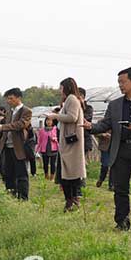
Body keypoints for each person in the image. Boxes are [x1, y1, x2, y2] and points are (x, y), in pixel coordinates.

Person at [82, 67, 131, 231]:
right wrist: (90, 126)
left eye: (123, 81)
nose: (120, 85)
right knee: (120, 189)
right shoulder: (115, 105)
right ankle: (122, 223)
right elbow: (105, 124)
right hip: (121, 149)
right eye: (118, 82)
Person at [47, 78, 86, 212]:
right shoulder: (72, 99)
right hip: (69, 142)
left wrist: (55, 116)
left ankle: (71, 201)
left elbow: (72, 117)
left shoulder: (72, 99)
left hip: (71, 143)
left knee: (69, 173)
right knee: (69, 173)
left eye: (61, 87)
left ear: (66, 87)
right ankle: (71, 201)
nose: (60, 90)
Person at [0, 88, 32, 200]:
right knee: (8, 174)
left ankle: (23, 198)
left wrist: (3, 127)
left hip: (19, 147)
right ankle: (11, 195)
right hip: (8, 146)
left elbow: (21, 124)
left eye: (11, 98)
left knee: (21, 175)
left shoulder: (26, 111)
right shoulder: (11, 111)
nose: (9, 101)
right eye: (8, 99)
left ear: (18, 98)